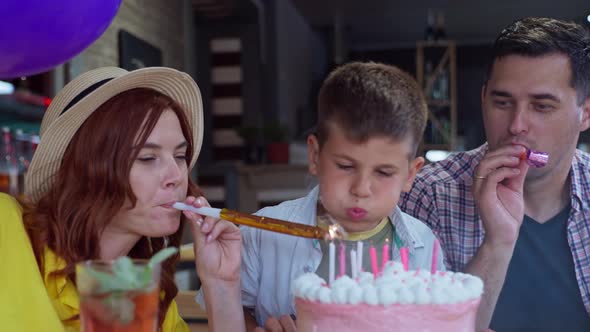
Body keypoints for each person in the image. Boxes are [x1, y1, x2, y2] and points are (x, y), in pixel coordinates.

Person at [0, 67, 245, 332]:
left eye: (180, 156)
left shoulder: (147, 297)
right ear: (87, 169)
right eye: (147, 158)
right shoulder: (7, 226)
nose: (176, 177)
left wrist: (221, 284)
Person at [400, 17, 590, 332]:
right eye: (502, 102)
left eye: (542, 107)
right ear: (483, 99)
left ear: (585, 114)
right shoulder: (427, 194)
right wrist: (498, 242)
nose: (516, 125)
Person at [239, 62, 445, 331]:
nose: (361, 189)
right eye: (346, 167)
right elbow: (231, 311)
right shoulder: (262, 231)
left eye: (383, 172)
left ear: (410, 174)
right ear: (315, 156)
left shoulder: (424, 246)